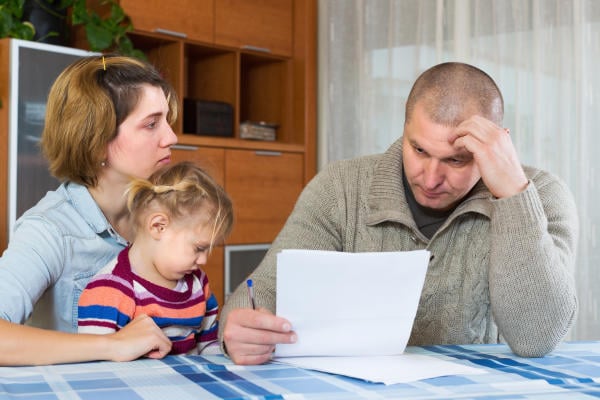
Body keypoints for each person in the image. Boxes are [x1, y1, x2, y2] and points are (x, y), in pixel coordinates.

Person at [219, 62, 579, 365]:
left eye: (456, 159)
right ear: (405, 129)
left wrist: (514, 194)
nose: (432, 178)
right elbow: (259, 293)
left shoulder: (542, 196)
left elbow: (538, 338)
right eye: (419, 150)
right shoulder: (340, 187)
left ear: (497, 143)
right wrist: (239, 330)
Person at [0, 54, 181, 365]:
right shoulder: (49, 229)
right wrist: (110, 345)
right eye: (151, 124)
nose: (171, 137)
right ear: (97, 141)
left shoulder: (166, 213)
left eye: (167, 120)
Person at [78, 161, 233, 355]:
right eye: (199, 248)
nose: (203, 260)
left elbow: (209, 345)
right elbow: (95, 360)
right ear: (159, 226)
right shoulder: (109, 291)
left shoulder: (198, 284)